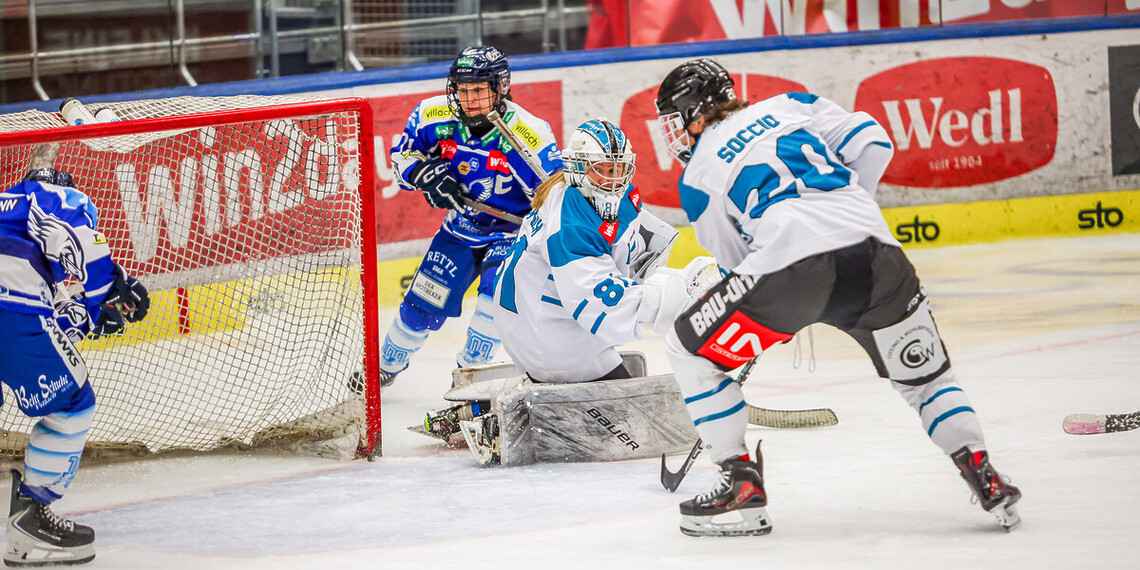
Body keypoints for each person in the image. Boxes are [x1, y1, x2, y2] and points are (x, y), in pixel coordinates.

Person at [653, 58, 1021, 537]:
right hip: (878, 256)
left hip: (790, 273)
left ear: (694, 115)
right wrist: (849, 212)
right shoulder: (792, 105)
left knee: (688, 349)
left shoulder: (697, 178)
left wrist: (776, 313)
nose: (673, 135)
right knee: (926, 380)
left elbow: (737, 265)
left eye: (672, 121)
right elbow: (873, 141)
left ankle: (738, 481)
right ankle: (983, 474)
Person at [417, 119, 717, 465]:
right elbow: (605, 306)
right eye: (603, 169)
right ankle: (502, 417)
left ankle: (492, 404)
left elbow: (623, 254)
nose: (613, 178)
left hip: (534, 325)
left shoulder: (571, 193)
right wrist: (682, 292)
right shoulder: (570, 221)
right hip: (552, 340)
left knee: (612, 381)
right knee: (637, 422)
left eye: (620, 168)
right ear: (577, 168)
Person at [377, 45, 562, 391]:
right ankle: (383, 369)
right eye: (463, 90)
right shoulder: (432, 115)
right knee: (420, 306)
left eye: (478, 90)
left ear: (500, 87)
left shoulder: (529, 134)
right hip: (460, 229)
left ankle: (469, 382)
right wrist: (423, 173)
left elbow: (555, 198)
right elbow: (403, 158)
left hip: (513, 235)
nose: (469, 99)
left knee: (492, 306)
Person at [0, 168, 150, 566]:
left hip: (13, 305)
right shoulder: (52, 196)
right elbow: (79, 236)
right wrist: (113, 284)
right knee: (72, 404)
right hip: (9, 302)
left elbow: (43, 326)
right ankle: (31, 520)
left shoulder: (11, 220)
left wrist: (90, 313)